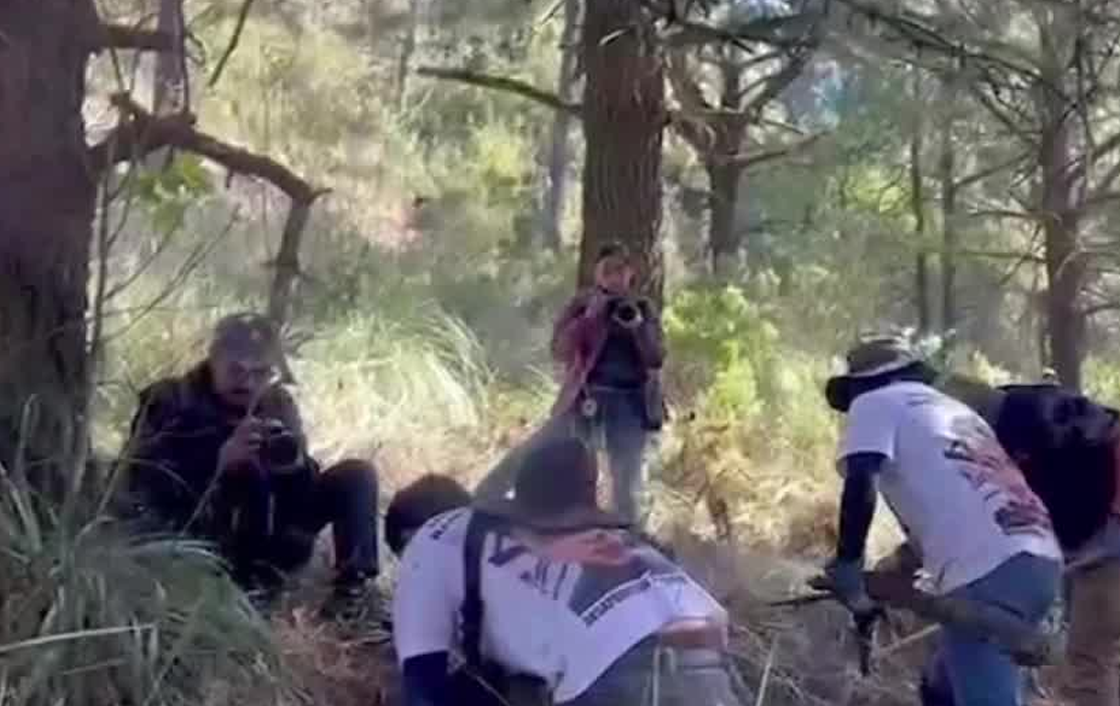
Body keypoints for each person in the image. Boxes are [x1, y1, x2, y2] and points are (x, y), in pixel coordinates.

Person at [394, 436, 741, 706]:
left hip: (614, 675)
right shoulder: (604, 534)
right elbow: (719, 625)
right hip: (707, 658)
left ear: (406, 537)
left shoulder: (428, 544)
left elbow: (424, 684)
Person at [822, 336, 1063, 706]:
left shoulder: (874, 402)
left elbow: (860, 481)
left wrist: (849, 562)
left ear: (860, 385)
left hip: (987, 569)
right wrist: (900, 572)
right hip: (1039, 556)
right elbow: (961, 503)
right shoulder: (955, 412)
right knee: (941, 687)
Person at [119, 312, 381, 618]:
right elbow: (141, 481)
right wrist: (217, 463)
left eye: (260, 373)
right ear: (214, 358)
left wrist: (295, 464)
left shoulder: (277, 402)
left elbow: (301, 482)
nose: (247, 383)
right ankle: (244, 585)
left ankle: (353, 589)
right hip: (201, 533)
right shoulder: (169, 399)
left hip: (277, 529)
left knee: (356, 475)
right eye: (236, 371)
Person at [936, 372, 1120, 706]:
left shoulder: (1036, 409)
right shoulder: (965, 448)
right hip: (1073, 541)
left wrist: (1119, 519)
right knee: (1103, 657)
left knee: (1089, 658)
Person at [474, 242, 666, 526]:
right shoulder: (581, 305)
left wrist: (637, 326)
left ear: (631, 274)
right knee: (534, 451)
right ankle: (483, 501)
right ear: (597, 274)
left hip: (629, 405)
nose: (614, 277)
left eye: (620, 270)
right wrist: (590, 318)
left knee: (627, 484)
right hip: (584, 400)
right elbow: (560, 350)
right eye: (608, 270)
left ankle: (630, 540)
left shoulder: (644, 307)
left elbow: (656, 358)